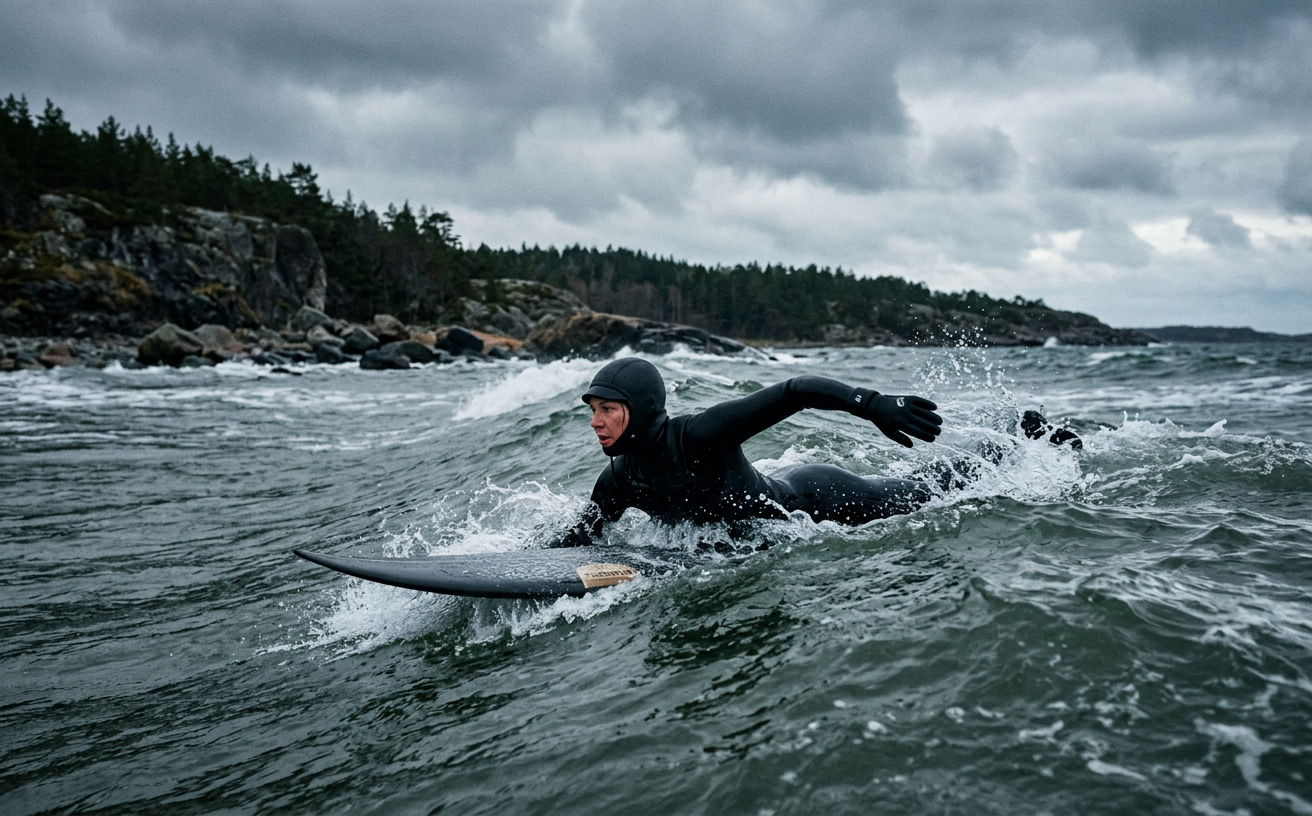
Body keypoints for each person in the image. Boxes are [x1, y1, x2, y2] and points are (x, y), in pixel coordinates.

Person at [552, 357, 965, 547]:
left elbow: (794, 391)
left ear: (639, 411)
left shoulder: (698, 437)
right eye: (593, 410)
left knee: (925, 493)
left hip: (817, 500)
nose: (595, 421)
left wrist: (872, 403)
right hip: (763, 523)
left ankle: (1007, 441)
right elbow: (583, 534)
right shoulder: (619, 480)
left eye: (607, 409)